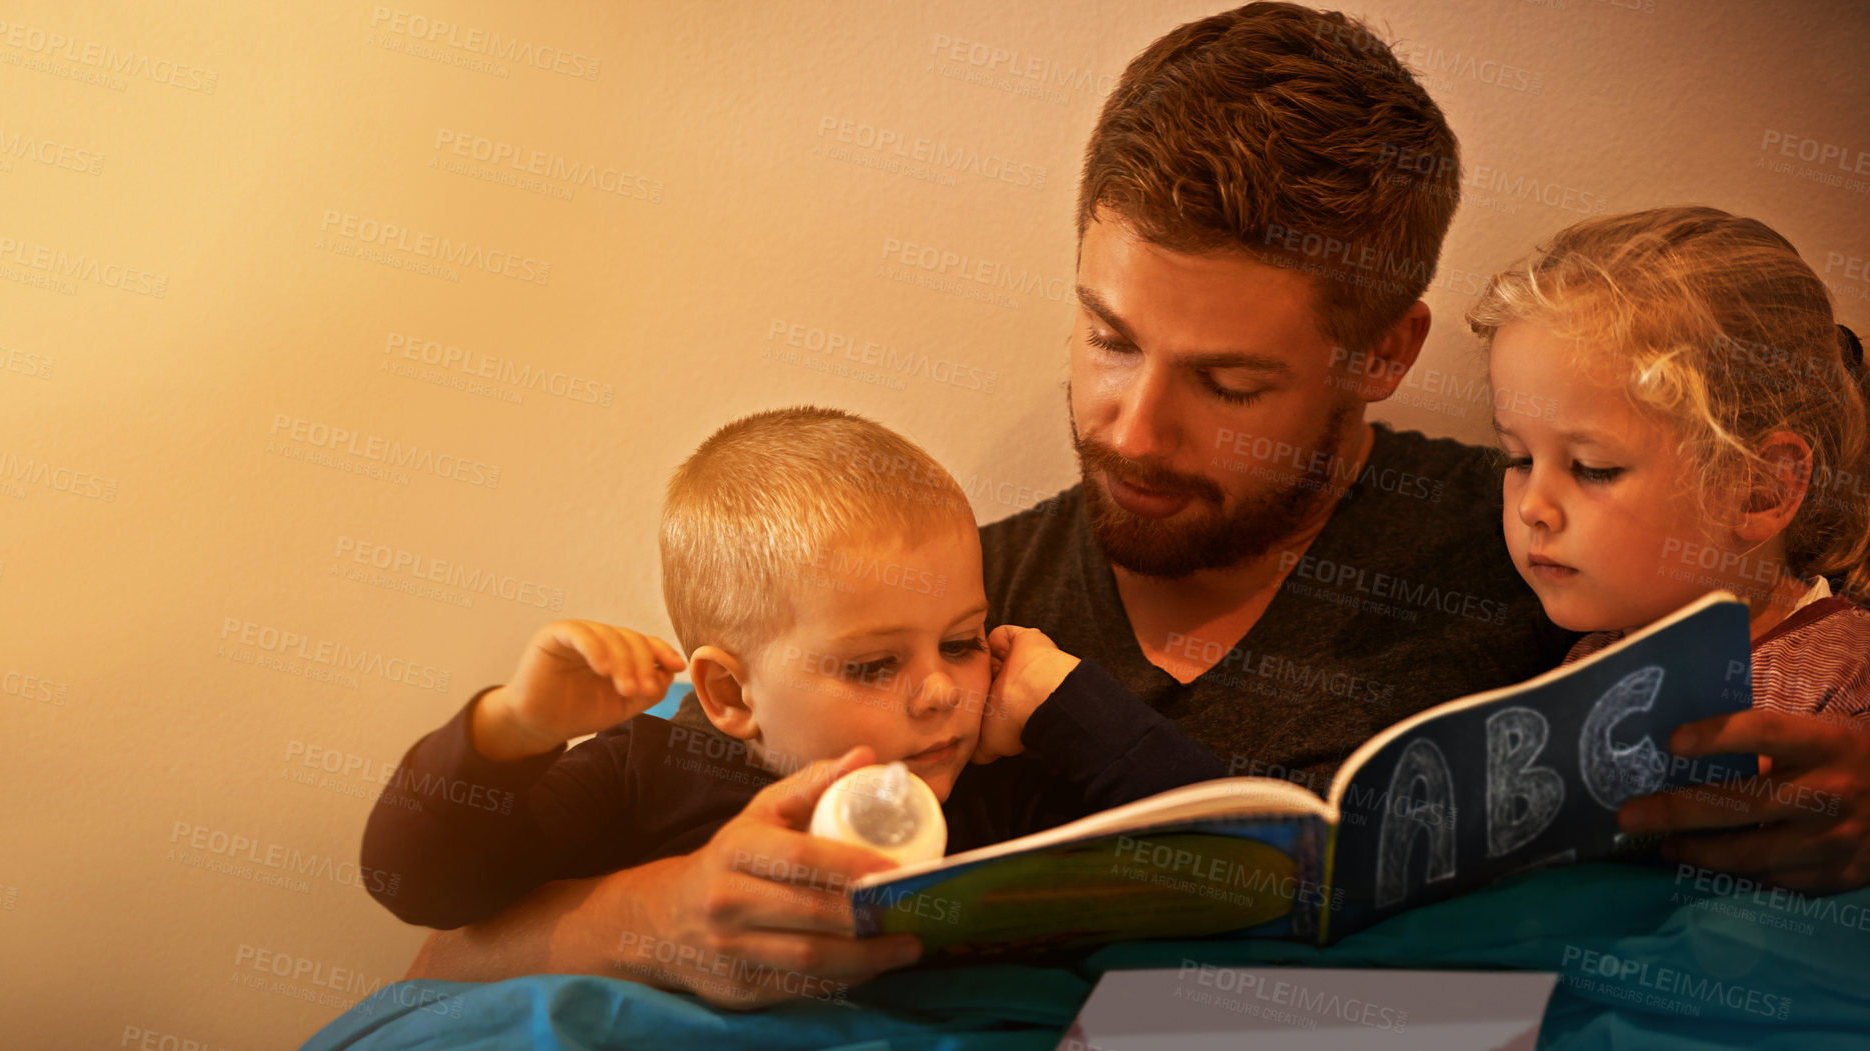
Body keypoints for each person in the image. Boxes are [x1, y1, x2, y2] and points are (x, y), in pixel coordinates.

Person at [404, 3, 1870, 998]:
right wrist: (654, 919)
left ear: (1384, 354)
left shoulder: (1541, 558)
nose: (1133, 425)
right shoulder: (918, 618)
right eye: (1107, 336)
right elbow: (435, 955)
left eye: (1228, 383)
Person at [364, 407, 1228, 992]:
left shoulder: (997, 787)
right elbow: (421, 885)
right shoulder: (655, 767)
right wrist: (513, 730)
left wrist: (1064, 704)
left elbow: (1230, 868)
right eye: (872, 666)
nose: (938, 692)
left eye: (961, 643)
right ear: (731, 693)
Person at [1473, 206, 1870, 892]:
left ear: (1757, 489)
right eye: (1515, 458)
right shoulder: (1593, 658)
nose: (1532, 507)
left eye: (1592, 467)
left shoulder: (1839, 685)